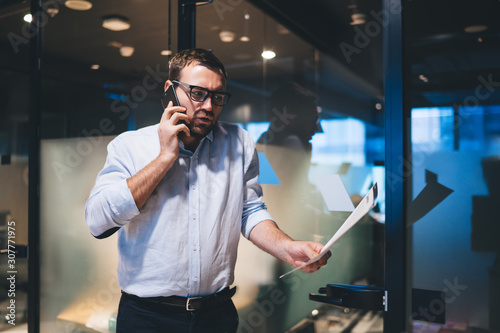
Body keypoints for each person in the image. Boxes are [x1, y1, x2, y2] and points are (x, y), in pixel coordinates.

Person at [85, 48, 331, 333]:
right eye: (197, 93)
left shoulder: (239, 142)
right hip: (147, 317)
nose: (208, 106)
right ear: (170, 90)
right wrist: (164, 158)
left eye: (217, 96)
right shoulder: (129, 146)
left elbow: (250, 211)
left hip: (217, 315)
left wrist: (287, 248)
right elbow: (97, 221)